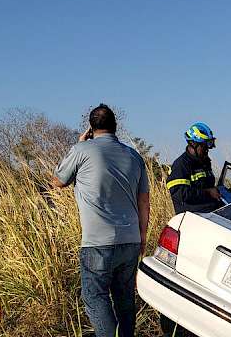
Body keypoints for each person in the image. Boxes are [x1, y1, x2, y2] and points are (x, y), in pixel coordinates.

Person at [51, 104, 150, 337]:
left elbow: (57, 182)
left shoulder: (81, 150)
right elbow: (144, 201)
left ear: (91, 128)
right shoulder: (134, 156)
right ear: (115, 127)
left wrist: (81, 143)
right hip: (130, 240)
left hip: (97, 242)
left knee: (95, 296)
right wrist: (142, 238)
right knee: (124, 298)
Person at [160, 122, 221, 337]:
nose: (207, 151)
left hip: (210, 220)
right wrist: (208, 194)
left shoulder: (205, 163)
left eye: (208, 147)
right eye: (204, 147)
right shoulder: (181, 166)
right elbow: (180, 195)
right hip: (192, 225)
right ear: (193, 145)